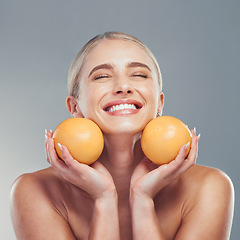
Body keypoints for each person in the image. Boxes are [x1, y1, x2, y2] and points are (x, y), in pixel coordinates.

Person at [10, 32, 234, 240]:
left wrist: (143, 201)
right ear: (75, 107)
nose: (123, 86)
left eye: (138, 74)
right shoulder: (35, 191)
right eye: (102, 76)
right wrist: (104, 199)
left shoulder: (209, 187)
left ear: (159, 103)